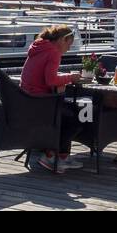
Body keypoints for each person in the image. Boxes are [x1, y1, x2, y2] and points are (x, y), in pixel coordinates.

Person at [19, 24, 85, 172]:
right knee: (77, 117)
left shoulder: (39, 47)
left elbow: (46, 77)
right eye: (69, 44)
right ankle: (53, 156)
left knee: (68, 113)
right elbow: (51, 81)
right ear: (63, 40)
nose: (68, 49)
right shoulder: (54, 52)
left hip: (27, 101)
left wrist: (64, 78)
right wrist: (71, 77)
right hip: (41, 103)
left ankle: (60, 155)